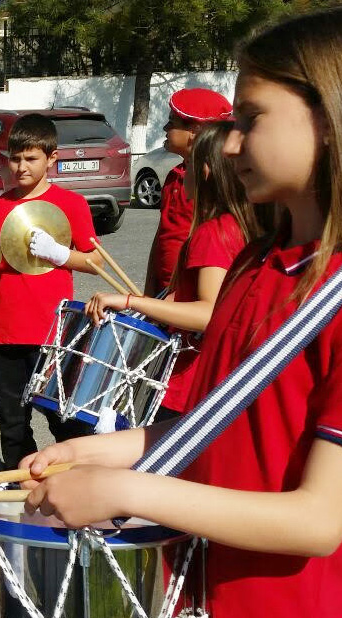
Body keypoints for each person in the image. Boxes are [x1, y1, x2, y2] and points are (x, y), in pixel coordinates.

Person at [19, 8, 342, 618]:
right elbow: (220, 434)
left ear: (334, 120)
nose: (227, 146)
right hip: (188, 610)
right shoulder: (260, 262)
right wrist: (106, 450)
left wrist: (125, 489)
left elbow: (318, 519)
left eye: (251, 119)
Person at [86, 120, 260, 421]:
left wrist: (130, 302)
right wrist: (144, 309)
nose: (181, 174)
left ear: (204, 171)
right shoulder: (240, 226)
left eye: (187, 165)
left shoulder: (213, 233)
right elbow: (186, 297)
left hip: (189, 383)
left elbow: (208, 313)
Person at [0, 112, 104, 470]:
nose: (21, 167)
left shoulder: (71, 204)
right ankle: (22, 487)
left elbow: (97, 260)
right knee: (12, 423)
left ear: (52, 158)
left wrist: (61, 254)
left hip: (53, 332)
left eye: (31, 158)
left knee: (65, 420)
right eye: (15, 158)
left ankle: (76, 483)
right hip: (5, 334)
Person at [143, 88, 233, 297]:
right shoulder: (173, 177)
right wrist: (149, 294)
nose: (165, 127)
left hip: (193, 296)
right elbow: (161, 238)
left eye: (172, 122)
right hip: (165, 295)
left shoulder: (214, 182)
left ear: (195, 131)